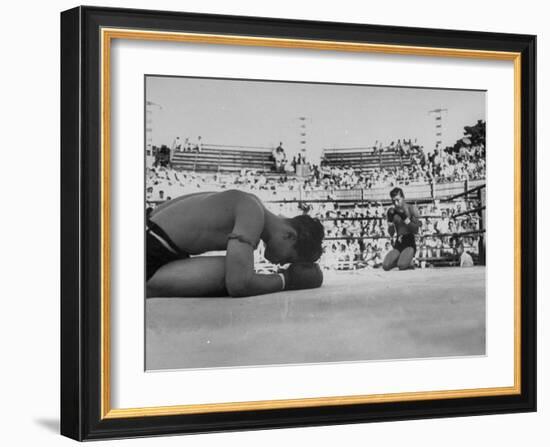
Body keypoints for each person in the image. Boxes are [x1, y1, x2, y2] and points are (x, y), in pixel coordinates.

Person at [146, 189, 325, 297]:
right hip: (149, 249)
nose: (282, 264)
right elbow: (239, 285)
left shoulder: (251, 202)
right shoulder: (252, 212)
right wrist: (288, 280)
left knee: (236, 267)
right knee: (234, 271)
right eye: (289, 259)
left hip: (152, 241)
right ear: (289, 236)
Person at [382, 187, 421, 271]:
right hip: (398, 244)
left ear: (403, 198)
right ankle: (404, 260)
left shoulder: (411, 208)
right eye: (393, 201)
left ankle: (407, 261)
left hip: (409, 243)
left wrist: (405, 218)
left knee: (402, 265)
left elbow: (416, 230)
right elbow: (391, 233)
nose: (395, 203)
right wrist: (390, 222)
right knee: (385, 266)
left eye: (397, 200)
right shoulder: (392, 211)